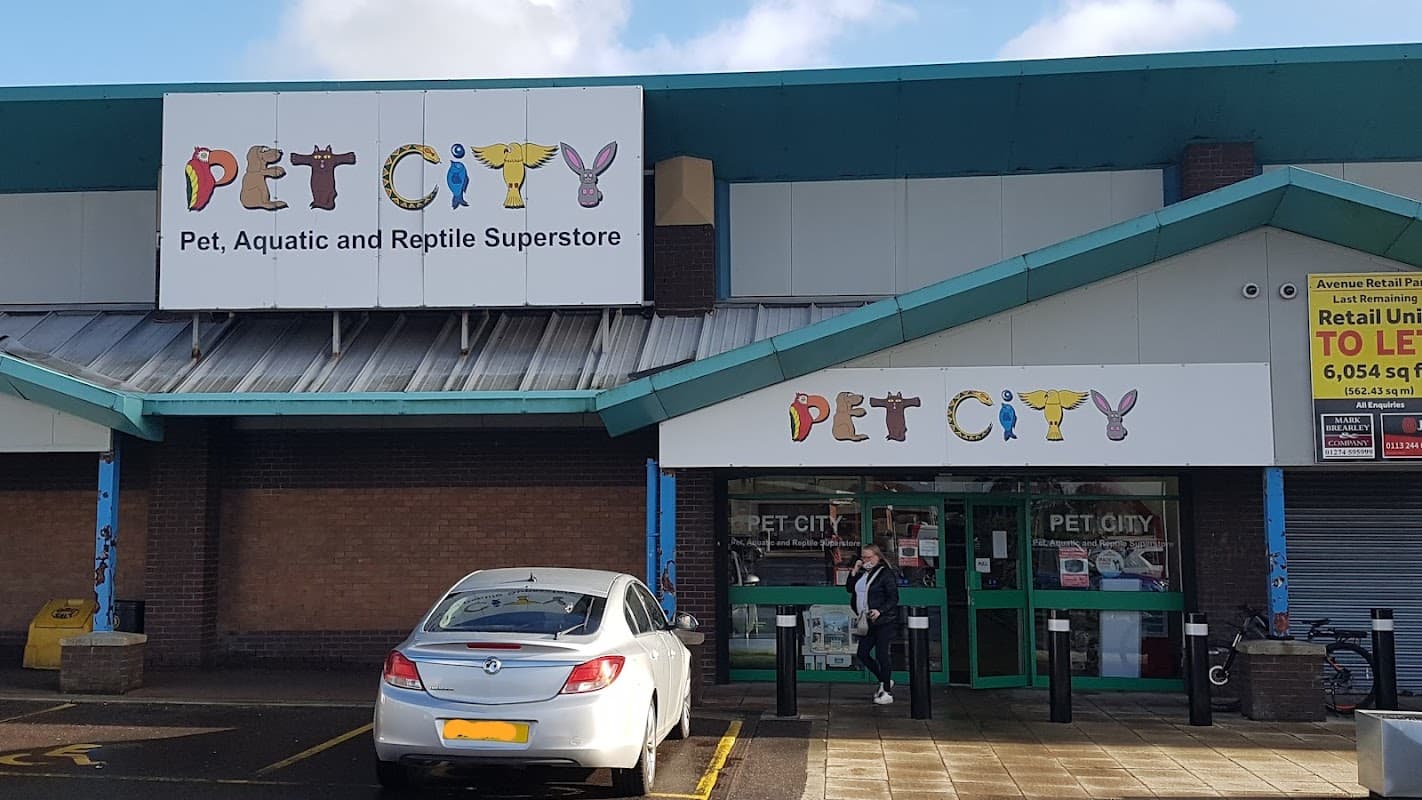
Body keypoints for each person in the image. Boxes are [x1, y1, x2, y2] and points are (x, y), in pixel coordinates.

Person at [846, 544, 900, 705]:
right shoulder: (863, 574)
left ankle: (887, 692)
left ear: (878, 557)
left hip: (884, 621)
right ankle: (884, 679)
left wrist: (880, 611)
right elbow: (849, 588)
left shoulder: (885, 574)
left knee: (882, 654)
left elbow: (893, 598)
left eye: (868, 557)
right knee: (862, 653)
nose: (865, 560)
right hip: (867, 620)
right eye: (863, 557)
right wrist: (855, 570)